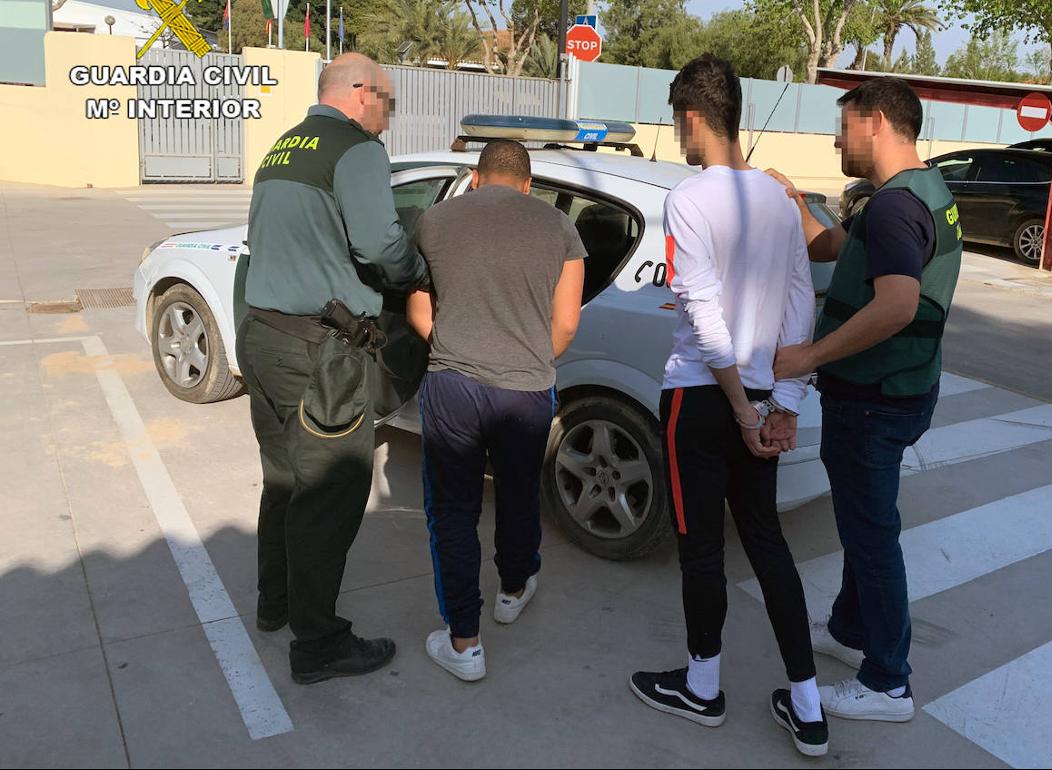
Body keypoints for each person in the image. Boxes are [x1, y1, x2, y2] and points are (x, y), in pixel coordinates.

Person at [627, 54, 827, 758]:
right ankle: (807, 706)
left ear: (691, 119)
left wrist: (745, 409)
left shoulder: (689, 196)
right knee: (766, 542)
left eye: (677, 125)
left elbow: (705, 317)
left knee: (701, 547)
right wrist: (785, 403)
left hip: (703, 399)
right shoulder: (780, 199)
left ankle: (703, 688)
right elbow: (803, 306)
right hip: (764, 396)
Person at [766, 76, 962, 723]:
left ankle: (888, 684)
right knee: (861, 523)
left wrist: (808, 356)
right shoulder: (917, 192)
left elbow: (899, 304)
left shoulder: (894, 208)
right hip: (904, 390)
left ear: (875, 121)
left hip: (875, 401)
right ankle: (851, 631)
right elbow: (832, 248)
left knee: (873, 538)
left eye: (843, 124)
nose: (835, 138)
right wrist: (794, 201)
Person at [234, 53, 429, 685]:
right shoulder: (356, 148)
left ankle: (277, 604)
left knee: (285, 480)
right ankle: (318, 644)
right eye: (388, 103)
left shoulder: (283, 147)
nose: (388, 117)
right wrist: (418, 272)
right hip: (319, 354)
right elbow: (380, 244)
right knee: (331, 491)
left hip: (262, 337)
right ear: (361, 94)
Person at [406, 140, 586, 683]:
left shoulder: (433, 221)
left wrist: (461, 348)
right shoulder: (559, 228)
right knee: (517, 492)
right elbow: (568, 322)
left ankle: (464, 643)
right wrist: (526, 359)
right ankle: (512, 590)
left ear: (477, 178)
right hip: (527, 389)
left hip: (453, 386)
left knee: (454, 513)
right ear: (529, 184)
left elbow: (419, 309)